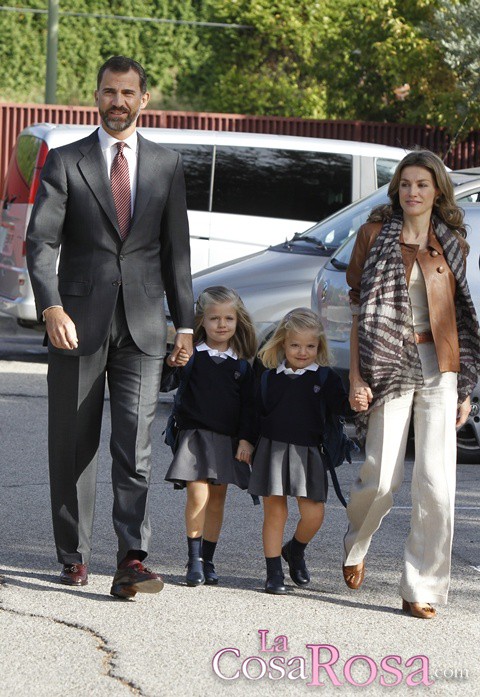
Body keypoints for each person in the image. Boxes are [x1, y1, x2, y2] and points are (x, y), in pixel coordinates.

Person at [26, 56, 194, 599]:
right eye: (108, 92)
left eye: (127, 92)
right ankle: (73, 557)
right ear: (95, 97)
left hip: (145, 328)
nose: (117, 101)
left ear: (144, 99)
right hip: (75, 324)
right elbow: (41, 241)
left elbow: (176, 255)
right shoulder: (66, 161)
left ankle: (132, 559)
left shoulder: (166, 165)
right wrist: (50, 306)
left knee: (135, 447)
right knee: (73, 446)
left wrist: (185, 325)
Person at [343, 149, 480, 618]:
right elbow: (358, 312)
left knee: (437, 486)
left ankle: (420, 586)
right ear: (396, 189)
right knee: (381, 478)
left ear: (437, 189)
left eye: (422, 184)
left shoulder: (452, 242)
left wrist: (465, 386)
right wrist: (356, 376)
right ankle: (356, 542)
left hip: (439, 367)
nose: (413, 192)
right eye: (405, 184)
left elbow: (461, 317)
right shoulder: (373, 234)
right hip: (387, 362)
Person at [248, 308, 361, 594]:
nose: (302, 352)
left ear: (319, 346)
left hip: (309, 454)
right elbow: (252, 413)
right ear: (282, 344)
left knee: (314, 516)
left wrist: (358, 399)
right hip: (272, 451)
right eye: (295, 345)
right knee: (275, 514)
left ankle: (295, 550)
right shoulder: (267, 377)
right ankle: (273, 573)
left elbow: (343, 409)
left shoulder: (326, 379)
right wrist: (245, 441)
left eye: (310, 346)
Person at [164, 286, 257, 586]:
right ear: (201, 321)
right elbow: (166, 384)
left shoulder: (242, 365)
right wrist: (170, 363)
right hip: (194, 438)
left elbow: (249, 407)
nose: (222, 324)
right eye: (214, 318)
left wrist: (246, 439)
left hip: (227, 441)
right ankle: (193, 560)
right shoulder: (192, 357)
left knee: (216, 501)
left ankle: (209, 559)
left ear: (238, 321)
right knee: (198, 495)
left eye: (229, 318)